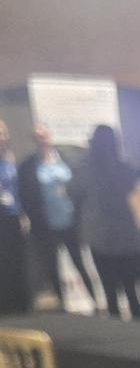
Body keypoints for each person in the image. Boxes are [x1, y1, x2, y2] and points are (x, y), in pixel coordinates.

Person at [18, 125, 98, 312]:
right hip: (46, 225)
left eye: (44, 136)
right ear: (33, 140)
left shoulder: (66, 159)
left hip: (70, 222)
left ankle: (96, 301)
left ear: (49, 137)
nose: (42, 140)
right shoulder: (28, 166)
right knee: (53, 267)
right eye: (37, 137)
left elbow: (79, 188)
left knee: (80, 263)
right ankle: (63, 305)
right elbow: (25, 196)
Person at [71, 125, 140, 320]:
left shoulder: (85, 169)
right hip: (119, 233)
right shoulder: (122, 167)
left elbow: (73, 192)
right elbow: (131, 186)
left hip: (101, 234)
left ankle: (117, 328)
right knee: (130, 286)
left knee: (110, 287)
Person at [0, 119, 30, 316]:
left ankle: (21, 303)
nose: (2, 138)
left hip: (14, 217)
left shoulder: (10, 158)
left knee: (17, 260)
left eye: (4, 134)